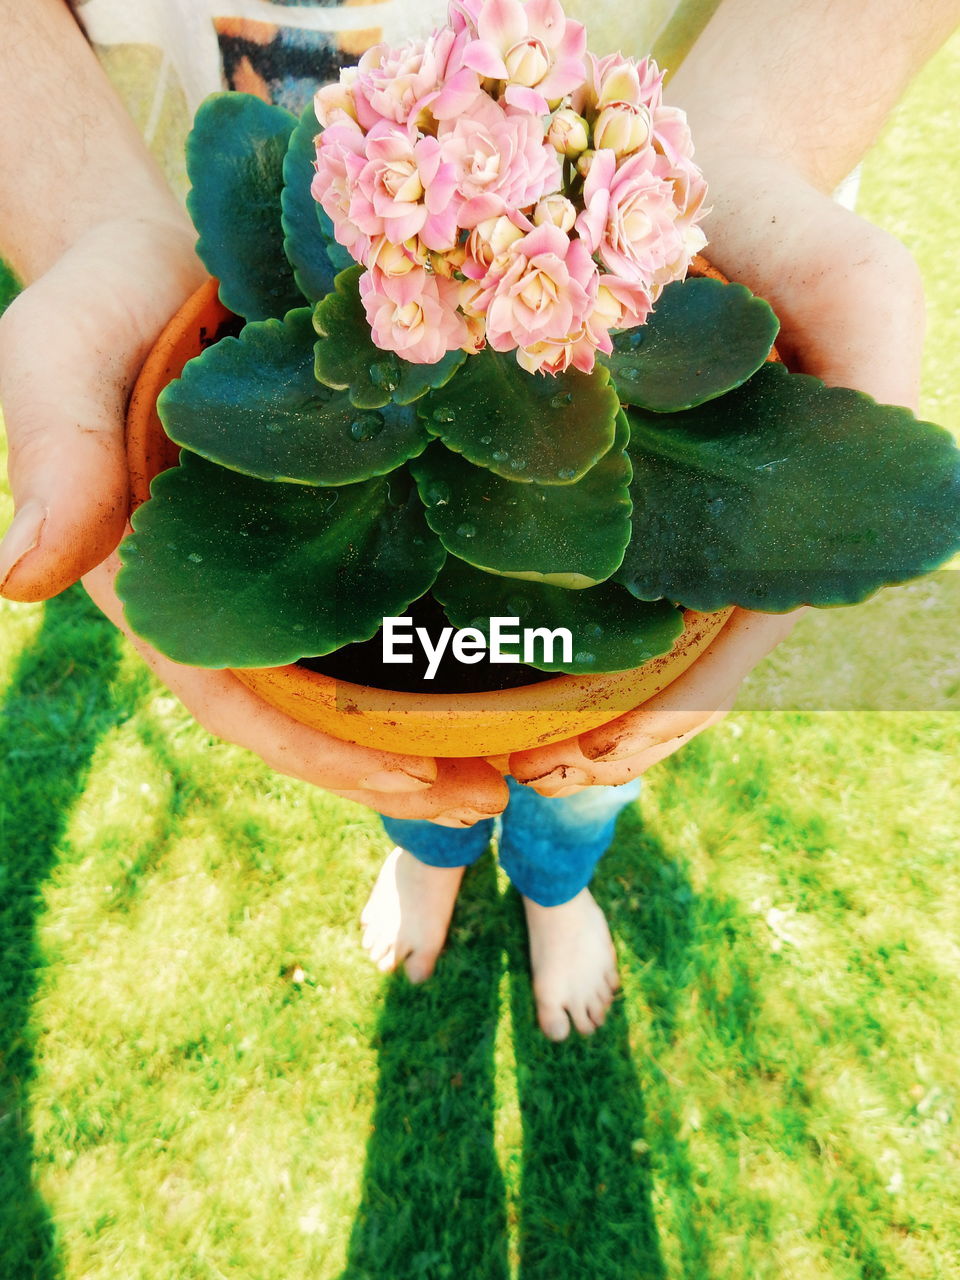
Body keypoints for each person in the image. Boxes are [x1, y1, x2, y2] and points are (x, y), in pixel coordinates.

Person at [0, 0, 955, 1041]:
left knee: (590, 767)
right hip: (377, 246)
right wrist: (83, 210)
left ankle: (552, 884)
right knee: (411, 747)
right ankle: (430, 853)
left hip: (661, 192)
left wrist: (765, 135)